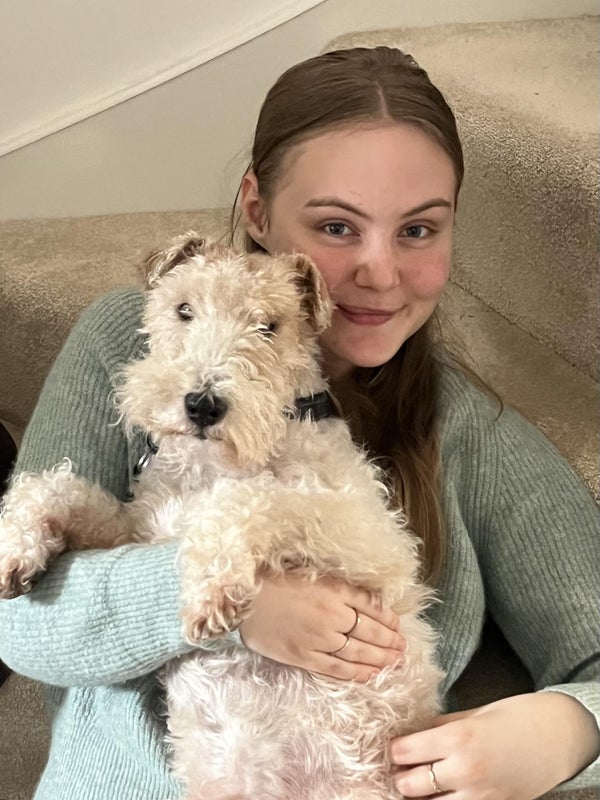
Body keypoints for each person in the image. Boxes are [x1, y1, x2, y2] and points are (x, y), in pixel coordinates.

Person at [0, 46, 598, 800]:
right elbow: (19, 625)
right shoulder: (133, 339)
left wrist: (568, 729)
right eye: (337, 226)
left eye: (418, 230)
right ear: (257, 209)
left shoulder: (471, 432)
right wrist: (235, 606)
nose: (378, 272)